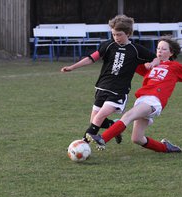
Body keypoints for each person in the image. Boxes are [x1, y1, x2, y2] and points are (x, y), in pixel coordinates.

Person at [86, 37, 182, 153]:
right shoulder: (151, 67)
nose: (160, 51)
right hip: (142, 100)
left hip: (154, 100)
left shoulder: (174, 67)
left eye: (164, 49)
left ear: (171, 53)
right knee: (137, 139)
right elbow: (130, 63)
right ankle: (167, 148)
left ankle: (103, 138)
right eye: (158, 48)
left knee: (128, 116)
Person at [61, 15, 159, 143]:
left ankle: (83, 144)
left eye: (119, 34)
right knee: (95, 120)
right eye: (114, 34)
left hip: (118, 91)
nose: (116, 38)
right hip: (102, 87)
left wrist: (153, 63)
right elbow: (91, 58)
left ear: (128, 33)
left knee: (100, 116)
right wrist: (72, 67)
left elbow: (155, 58)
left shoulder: (136, 50)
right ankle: (114, 126)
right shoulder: (108, 45)